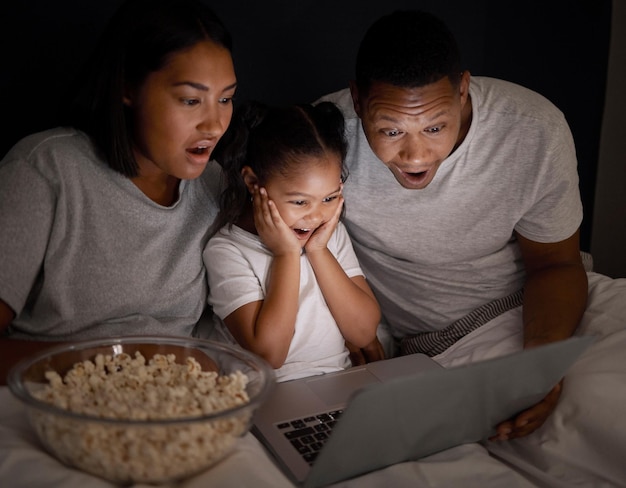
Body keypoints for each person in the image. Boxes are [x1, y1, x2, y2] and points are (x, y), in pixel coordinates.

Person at [318, 10, 589, 440]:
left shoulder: (532, 129)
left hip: (545, 317)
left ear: (463, 90)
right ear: (356, 99)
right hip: (433, 347)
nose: (416, 155)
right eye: (390, 131)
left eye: (434, 126)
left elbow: (557, 264)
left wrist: (540, 362)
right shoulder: (324, 141)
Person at [0, 0, 237, 384]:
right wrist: (122, 358)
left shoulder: (215, 185)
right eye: (190, 100)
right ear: (128, 87)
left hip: (179, 410)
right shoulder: (45, 169)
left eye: (225, 99)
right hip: (50, 407)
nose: (214, 124)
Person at [204, 100, 381, 382]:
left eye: (330, 198)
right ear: (252, 182)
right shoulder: (228, 250)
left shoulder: (328, 236)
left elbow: (363, 332)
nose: (315, 216)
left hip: (338, 380)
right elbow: (269, 355)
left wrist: (319, 251)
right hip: (268, 391)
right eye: (300, 202)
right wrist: (286, 255)